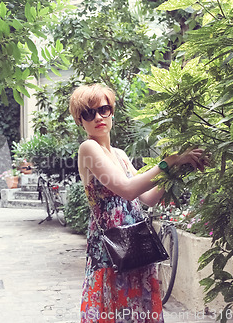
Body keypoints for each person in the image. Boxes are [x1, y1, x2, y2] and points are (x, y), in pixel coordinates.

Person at [68, 84, 208, 323]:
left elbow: (148, 197)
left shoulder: (120, 154)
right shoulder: (88, 148)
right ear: (80, 121)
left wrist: (177, 168)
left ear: (112, 112)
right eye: (89, 113)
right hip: (110, 252)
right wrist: (169, 161)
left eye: (103, 109)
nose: (98, 117)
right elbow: (128, 190)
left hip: (136, 246)